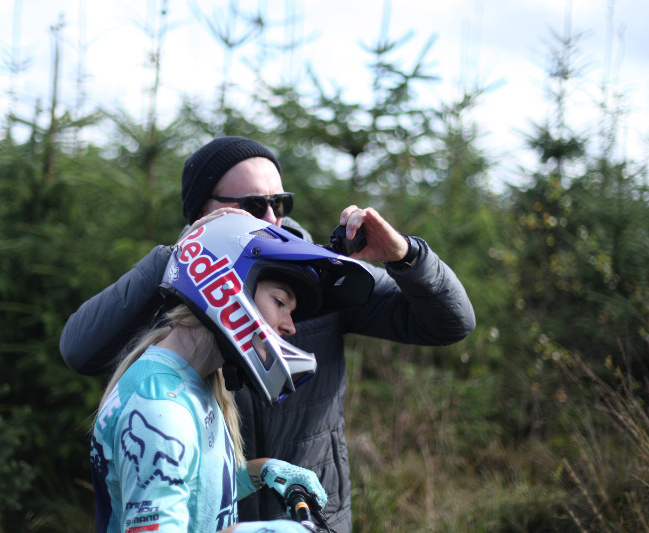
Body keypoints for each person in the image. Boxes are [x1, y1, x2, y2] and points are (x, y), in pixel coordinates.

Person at [63, 136, 476, 532]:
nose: (271, 218)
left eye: (279, 203)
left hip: (313, 512)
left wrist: (406, 256)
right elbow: (80, 351)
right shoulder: (190, 293)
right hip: (227, 520)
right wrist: (179, 257)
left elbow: (450, 323)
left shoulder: (317, 278)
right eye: (252, 205)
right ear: (202, 211)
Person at [90, 213, 375, 532]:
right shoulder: (159, 411)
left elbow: (195, 489)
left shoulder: (191, 381)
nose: (290, 327)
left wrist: (262, 471)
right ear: (224, 288)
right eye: (280, 302)